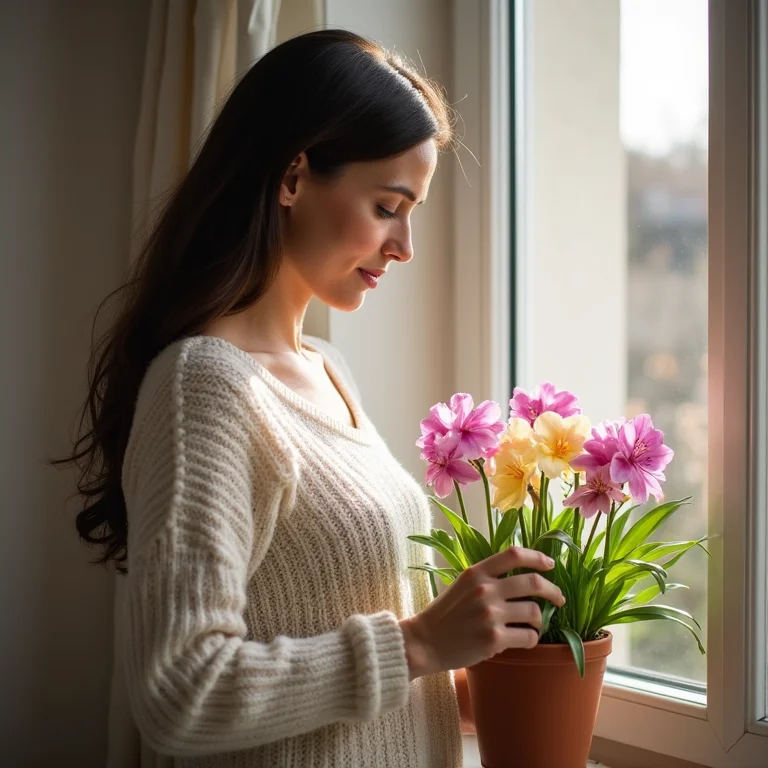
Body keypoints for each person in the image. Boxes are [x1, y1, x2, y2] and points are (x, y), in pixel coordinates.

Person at [53, 28, 565, 768]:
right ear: (293, 176)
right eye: (389, 205)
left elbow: (351, 650)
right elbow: (178, 693)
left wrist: (480, 664)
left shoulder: (328, 370)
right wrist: (419, 642)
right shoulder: (205, 386)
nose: (405, 246)